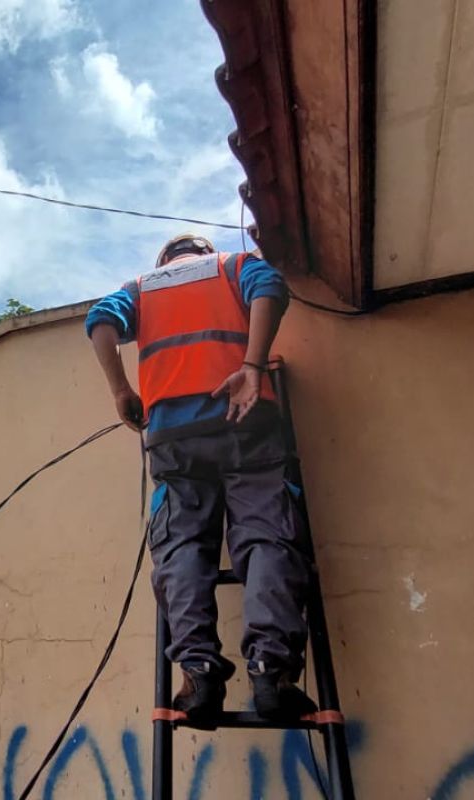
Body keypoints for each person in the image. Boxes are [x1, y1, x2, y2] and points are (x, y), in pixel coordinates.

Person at [85, 233, 316, 723]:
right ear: (204, 252)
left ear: (165, 259)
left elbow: (99, 322)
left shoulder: (142, 287)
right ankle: (271, 673)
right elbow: (270, 288)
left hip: (173, 437)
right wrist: (253, 365)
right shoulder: (234, 266)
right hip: (245, 417)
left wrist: (121, 390)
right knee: (268, 540)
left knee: (182, 548)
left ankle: (199, 673)